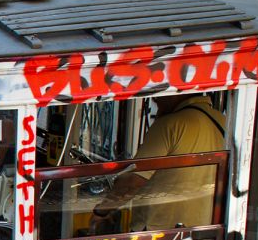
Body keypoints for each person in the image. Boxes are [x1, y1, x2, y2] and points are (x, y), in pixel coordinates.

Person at [90, 92, 227, 232]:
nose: (155, 100)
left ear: (176, 93)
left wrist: (102, 211)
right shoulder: (222, 121)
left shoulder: (169, 124)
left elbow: (132, 182)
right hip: (206, 229)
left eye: (159, 94)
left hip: (162, 231)